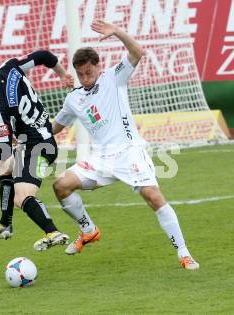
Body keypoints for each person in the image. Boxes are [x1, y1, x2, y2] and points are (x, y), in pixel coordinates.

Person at [52, 20, 199, 270]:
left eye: (89, 72)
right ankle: (88, 230)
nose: (85, 78)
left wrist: (118, 32)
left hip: (129, 152)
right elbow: (56, 126)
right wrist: (29, 137)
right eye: (80, 74)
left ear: (99, 67)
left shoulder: (114, 77)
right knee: (60, 186)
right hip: (100, 158)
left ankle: (184, 253)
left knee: (153, 196)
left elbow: (137, 52)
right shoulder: (73, 98)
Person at [0, 51, 74, 250]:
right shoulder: (10, 68)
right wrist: (62, 74)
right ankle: (5, 224)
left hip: (36, 148)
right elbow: (43, 56)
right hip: (40, 139)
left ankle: (53, 232)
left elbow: (4, 149)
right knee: (7, 169)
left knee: (22, 197)